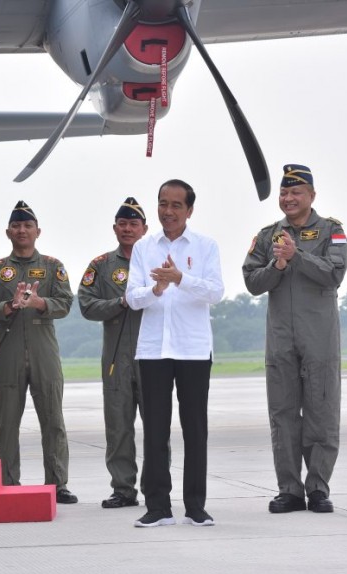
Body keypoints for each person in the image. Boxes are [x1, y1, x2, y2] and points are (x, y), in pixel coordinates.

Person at [242, 164, 347, 514]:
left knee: (321, 410)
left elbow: (334, 274)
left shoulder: (331, 230)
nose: (288, 198)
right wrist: (278, 266)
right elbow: (252, 282)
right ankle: (288, 489)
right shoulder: (268, 234)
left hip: (318, 337)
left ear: (312, 196)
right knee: (283, 413)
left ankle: (317, 487)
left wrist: (296, 256)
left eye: (296, 192)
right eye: (284, 193)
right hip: (280, 339)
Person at [125, 180, 224, 528]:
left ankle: (196, 506)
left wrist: (181, 278)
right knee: (154, 428)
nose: (168, 211)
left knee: (195, 428)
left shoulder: (205, 246)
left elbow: (215, 292)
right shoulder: (143, 247)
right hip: (153, 349)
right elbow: (133, 297)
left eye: (176, 205)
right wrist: (157, 287)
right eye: (163, 203)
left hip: (194, 348)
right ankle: (157, 506)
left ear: (189, 210)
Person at [0, 201, 78, 504]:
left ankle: (57, 484)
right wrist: (9, 306)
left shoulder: (52, 266)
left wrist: (38, 303)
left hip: (44, 349)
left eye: (28, 226)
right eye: (17, 226)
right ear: (8, 231)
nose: (22, 230)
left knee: (53, 420)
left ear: (38, 231)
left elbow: (65, 303)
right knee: (7, 422)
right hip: (8, 351)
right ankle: (8, 482)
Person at [78, 197, 148, 509]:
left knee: (157, 427)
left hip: (153, 356)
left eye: (134, 224)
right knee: (118, 426)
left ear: (144, 229)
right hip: (116, 359)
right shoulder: (101, 265)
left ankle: (158, 489)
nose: (128, 229)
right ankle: (123, 489)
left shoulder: (159, 259)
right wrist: (120, 303)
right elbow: (87, 305)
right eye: (123, 224)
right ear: (115, 228)